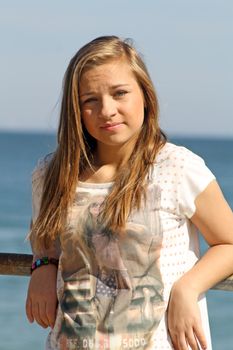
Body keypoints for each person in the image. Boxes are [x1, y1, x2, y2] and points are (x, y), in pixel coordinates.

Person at [25, 35, 233, 350]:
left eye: (120, 93)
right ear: (76, 109)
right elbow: (48, 241)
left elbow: (228, 242)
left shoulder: (177, 167)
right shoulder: (52, 173)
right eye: (89, 100)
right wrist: (42, 266)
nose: (107, 110)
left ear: (145, 96)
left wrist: (188, 288)